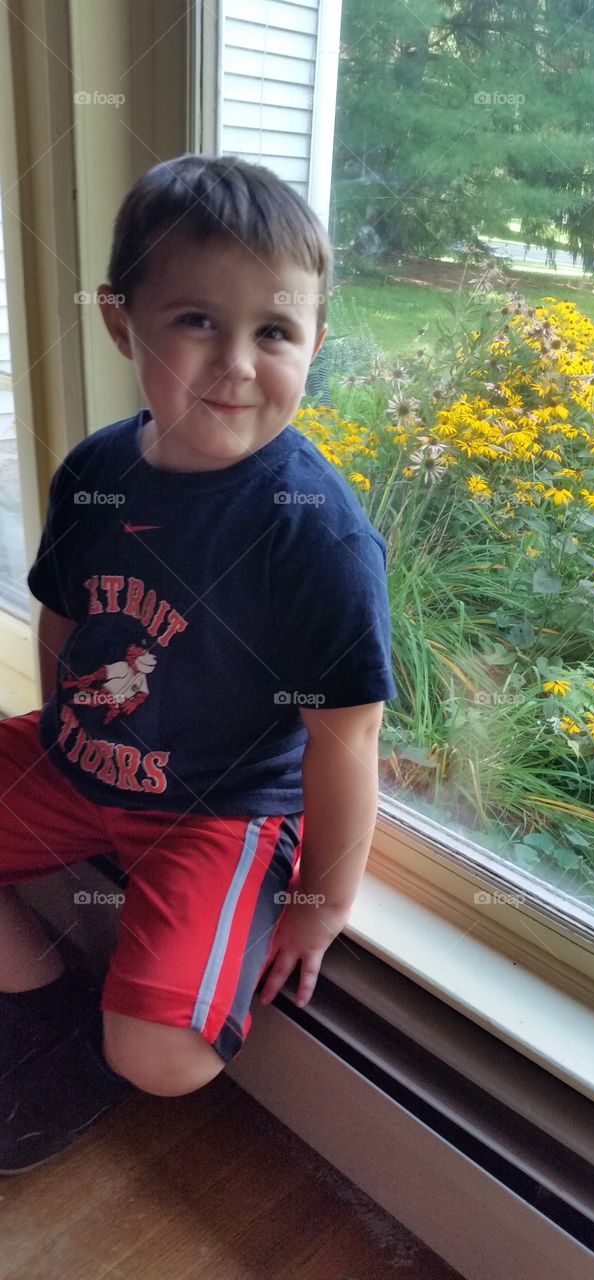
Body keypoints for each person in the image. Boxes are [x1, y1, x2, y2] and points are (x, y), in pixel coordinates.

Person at [0, 153, 397, 1174]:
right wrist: (57, 735)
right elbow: (62, 612)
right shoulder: (96, 470)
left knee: (164, 1057)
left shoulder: (314, 533)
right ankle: (41, 1002)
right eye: (195, 321)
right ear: (120, 321)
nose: (236, 363)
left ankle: (106, 1028)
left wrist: (320, 899)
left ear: (314, 339)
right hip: (85, 756)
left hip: (218, 807)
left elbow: (345, 738)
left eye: (274, 330)